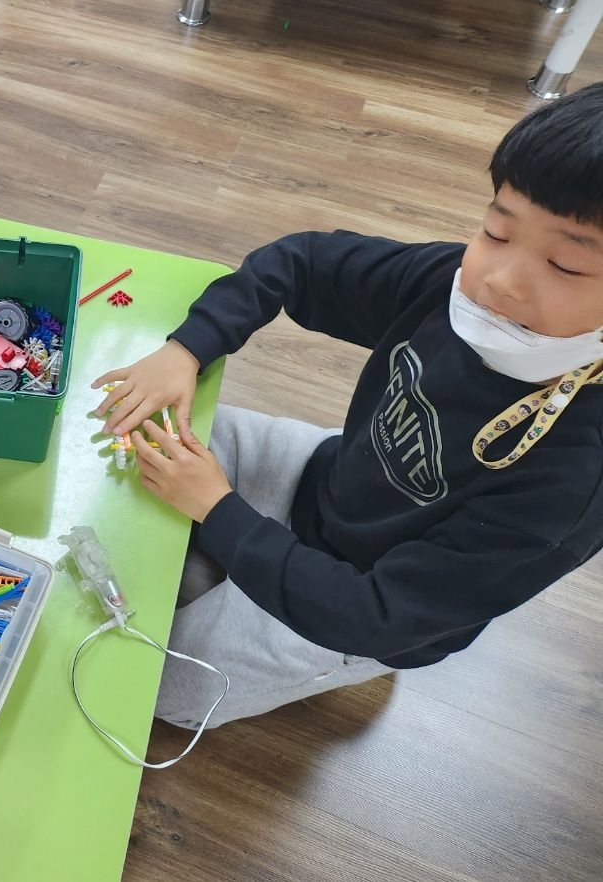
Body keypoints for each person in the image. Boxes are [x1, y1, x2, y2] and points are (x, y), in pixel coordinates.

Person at [93, 84, 603, 729]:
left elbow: (375, 613)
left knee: (160, 692)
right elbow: (301, 262)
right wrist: (187, 348)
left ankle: (331, 652)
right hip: (324, 478)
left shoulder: (577, 477)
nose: (500, 279)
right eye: (496, 231)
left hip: (366, 598)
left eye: (566, 265)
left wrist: (217, 512)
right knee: (140, 427)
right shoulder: (452, 285)